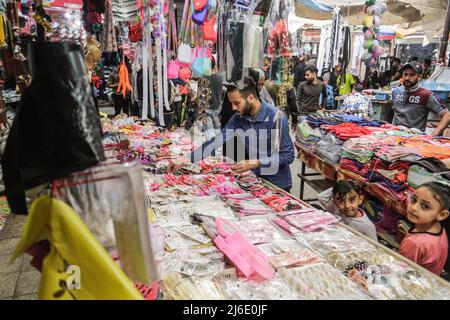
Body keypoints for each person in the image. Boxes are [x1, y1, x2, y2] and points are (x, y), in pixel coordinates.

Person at [169, 76, 295, 192]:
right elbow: (215, 142)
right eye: (231, 103)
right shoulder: (239, 117)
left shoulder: (276, 117)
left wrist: (256, 162)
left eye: (237, 103)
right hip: (256, 181)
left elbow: (288, 155)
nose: (233, 108)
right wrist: (184, 160)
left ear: (250, 98)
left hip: (278, 185)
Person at [399, 182, 449, 275]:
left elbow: (400, 270)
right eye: (414, 200)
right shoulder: (439, 228)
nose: (414, 208)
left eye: (425, 206)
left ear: (442, 215)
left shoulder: (414, 243)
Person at [391, 61, 450, 136]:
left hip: (415, 139)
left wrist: (434, 134)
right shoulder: (396, 91)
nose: (407, 78)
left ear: (419, 77)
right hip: (394, 136)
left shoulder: (426, 95)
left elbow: (447, 115)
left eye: (412, 75)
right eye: (405, 74)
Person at [202, 59, 224, 140]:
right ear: (214, 66)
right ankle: (218, 152)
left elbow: (199, 97)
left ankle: (210, 151)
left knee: (209, 134)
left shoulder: (203, 79)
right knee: (218, 133)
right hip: (217, 109)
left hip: (205, 110)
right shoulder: (220, 78)